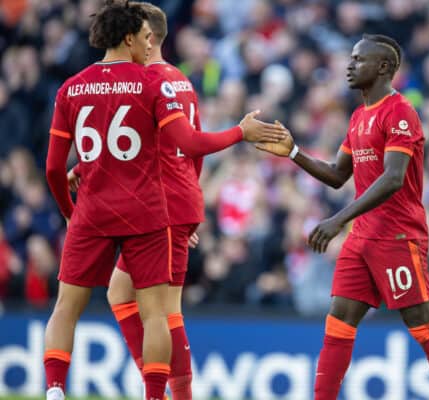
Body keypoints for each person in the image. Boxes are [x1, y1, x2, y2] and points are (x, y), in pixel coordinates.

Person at [44, 1, 284, 400]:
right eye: (144, 34)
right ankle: (161, 391)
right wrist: (235, 138)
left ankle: (75, 390)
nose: (147, 40)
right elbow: (186, 145)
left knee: (95, 305)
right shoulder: (163, 81)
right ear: (134, 37)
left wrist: (76, 199)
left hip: (139, 203)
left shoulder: (77, 86)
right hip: (154, 202)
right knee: (142, 303)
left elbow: (69, 161)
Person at [258, 34, 429, 399]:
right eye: (350, 59)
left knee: (423, 326)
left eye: (358, 60)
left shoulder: (400, 111)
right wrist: (293, 152)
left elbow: (393, 178)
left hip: (399, 237)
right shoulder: (358, 116)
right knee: (338, 321)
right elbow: (339, 174)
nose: (349, 66)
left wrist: (338, 219)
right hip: (362, 238)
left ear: (384, 67)